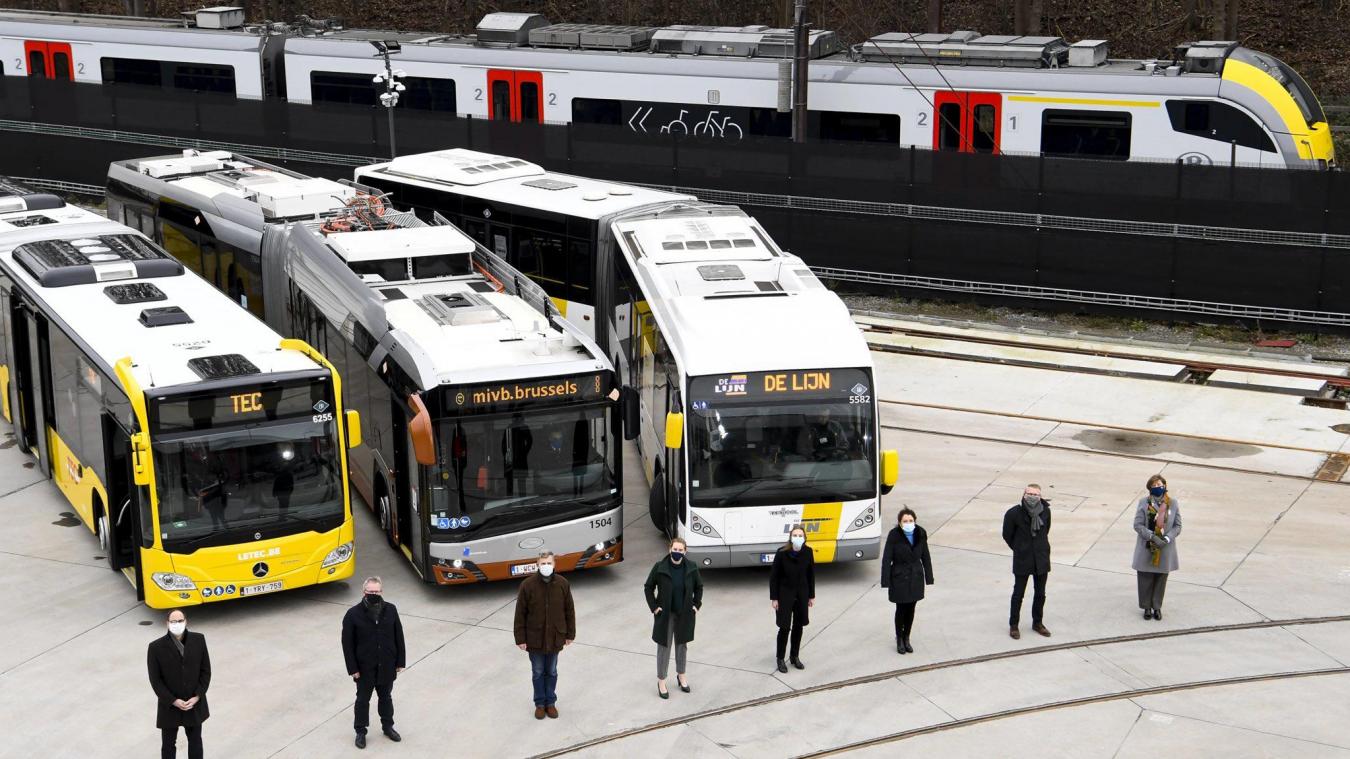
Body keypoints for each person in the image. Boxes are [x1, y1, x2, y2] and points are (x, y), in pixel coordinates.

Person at [341, 576, 406, 749]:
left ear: (381, 591)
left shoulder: (391, 610)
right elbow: (347, 645)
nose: (374, 594)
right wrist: (353, 669)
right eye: (370, 592)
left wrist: (400, 661)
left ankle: (388, 726)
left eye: (377, 591)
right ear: (364, 592)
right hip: (364, 668)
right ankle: (360, 731)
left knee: (386, 698)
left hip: (386, 664)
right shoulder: (353, 614)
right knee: (362, 700)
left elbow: (398, 636)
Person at [513, 551, 576, 719]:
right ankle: (540, 704)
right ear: (537, 564)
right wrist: (520, 638)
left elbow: (569, 610)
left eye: (549, 563)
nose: (546, 566)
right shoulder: (527, 585)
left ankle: (551, 703)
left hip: (556, 637)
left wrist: (570, 634)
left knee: (552, 671)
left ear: (554, 564)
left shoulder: (563, 584)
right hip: (535, 639)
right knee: (538, 672)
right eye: (543, 563)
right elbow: (520, 614)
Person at [644, 537, 704, 698]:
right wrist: (654, 607)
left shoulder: (691, 567)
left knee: (681, 646)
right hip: (666, 614)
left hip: (684, 613)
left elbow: (699, 587)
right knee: (664, 647)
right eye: (675, 549)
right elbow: (648, 587)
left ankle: (681, 675)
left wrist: (696, 605)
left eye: (680, 550)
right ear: (670, 549)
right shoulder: (660, 567)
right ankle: (661, 681)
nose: (677, 553)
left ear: (685, 551)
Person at [147, 609, 211, 759]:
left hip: (193, 703)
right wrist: (173, 701)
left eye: (180, 621)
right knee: (168, 745)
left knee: (195, 742)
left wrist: (197, 696)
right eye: (173, 621)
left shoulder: (199, 640)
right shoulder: (155, 647)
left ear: (186, 621)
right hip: (169, 705)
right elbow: (156, 681)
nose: (177, 624)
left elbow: (205, 671)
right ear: (167, 624)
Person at [880, 507, 934, 654]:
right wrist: (885, 580)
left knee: (911, 609)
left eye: (911, 520)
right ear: (900, 522)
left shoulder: (921, 534)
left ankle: (907, 637)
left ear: (915, 521)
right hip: (899, 577)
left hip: (915, 577)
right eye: (905, 521)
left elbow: (926, 556)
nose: (908, 523)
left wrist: (929, 577)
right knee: (901, 609)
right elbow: (887, 558)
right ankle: (899, 639)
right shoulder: (894, 535)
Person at [1003, 483, 1052, 640]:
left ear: (1040, 496)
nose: (1032, 497)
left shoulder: (1046, 512)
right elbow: (1007, 535)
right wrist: (1019, 548)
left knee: (1040, 593)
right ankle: (1014, 625)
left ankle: (1037, 623)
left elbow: (1046, 530)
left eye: (1036, 494)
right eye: (1029, 494)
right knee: (1018, 593)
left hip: (1041, 558)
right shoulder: (1013, 513)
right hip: (1023, 558)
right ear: (1024, 495)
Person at [1133, 474, 1182, 620]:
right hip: (1147, 546)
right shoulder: (1144, 502)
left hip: (1165, 548)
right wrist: (1152, 536)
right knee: (1145, 577)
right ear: (1150, 489)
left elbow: (1178, 526)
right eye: (1154, 486)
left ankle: (1157, 607)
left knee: (1161, 579)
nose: (1157, 487)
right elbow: (1137, 525)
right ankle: (1146, 607)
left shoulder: (1172, 503)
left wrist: (1166, 538)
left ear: (1165, 486)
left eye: (1159, 485)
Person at [769, 525, 815, 672]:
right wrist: (774, 598)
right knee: (784, 627)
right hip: (784, 596)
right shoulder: (782, 553)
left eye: (800, 535)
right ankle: (780, 658)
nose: (797, 538)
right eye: (795, 535)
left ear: (804, 537)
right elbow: (774, 577)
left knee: (798, 626)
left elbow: (811, 575)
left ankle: (794, 656)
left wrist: (811, 596)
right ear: (790, 537)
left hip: (801, 595)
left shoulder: (808, 552)